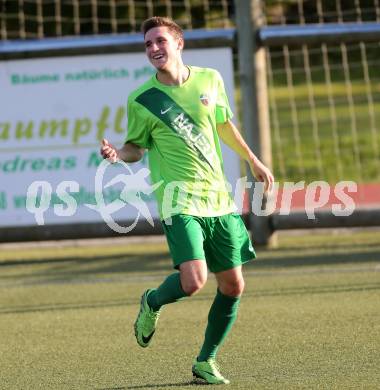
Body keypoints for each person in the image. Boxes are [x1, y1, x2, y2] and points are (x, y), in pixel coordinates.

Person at [100, 16, 274, 385]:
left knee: (233, 285)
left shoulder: (210, 79)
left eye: (159, 41)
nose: (153, 49)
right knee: (193, 280)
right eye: (147, 44)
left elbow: (224, 124)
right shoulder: (143, 99)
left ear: (179, 43)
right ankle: (152, 301)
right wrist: (118, 153)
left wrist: (254, 160)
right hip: (178, 201)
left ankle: (205, 362)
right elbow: (136, 148)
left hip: (218, 200)